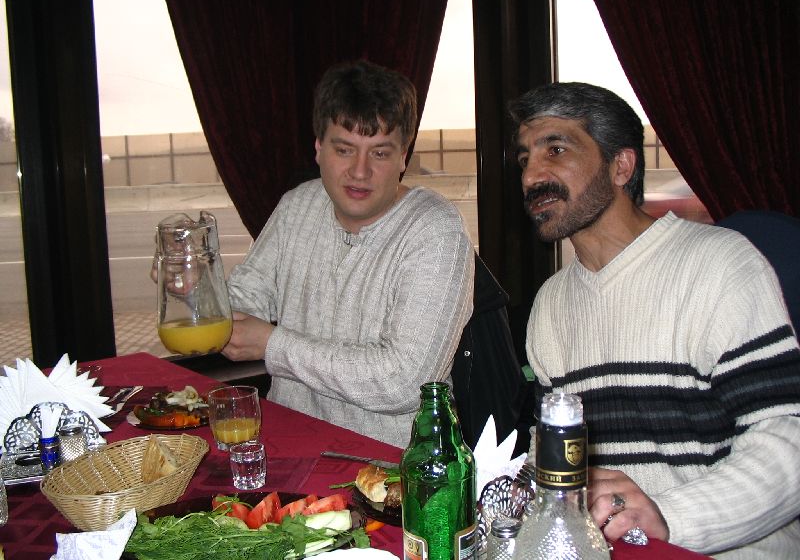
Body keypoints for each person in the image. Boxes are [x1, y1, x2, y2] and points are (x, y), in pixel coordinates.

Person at [509, 82, 800, 558]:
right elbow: (554, 456)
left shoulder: (719, 265)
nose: (530, 176)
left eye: (555, 150)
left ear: (621, 166)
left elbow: (789, 436)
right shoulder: (551, 304)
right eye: (525, 159)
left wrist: (669, 516)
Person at [220, 60, 475, 448]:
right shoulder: (297, 207)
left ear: (403, 157)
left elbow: (407, 382)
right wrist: (196, 289)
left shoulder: (435, 230)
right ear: (319, 148)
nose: (360, 171)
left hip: (391, 465)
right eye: (344, 149)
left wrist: (274, 345)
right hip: (289, 446)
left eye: (380, 153)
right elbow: (245, 299)